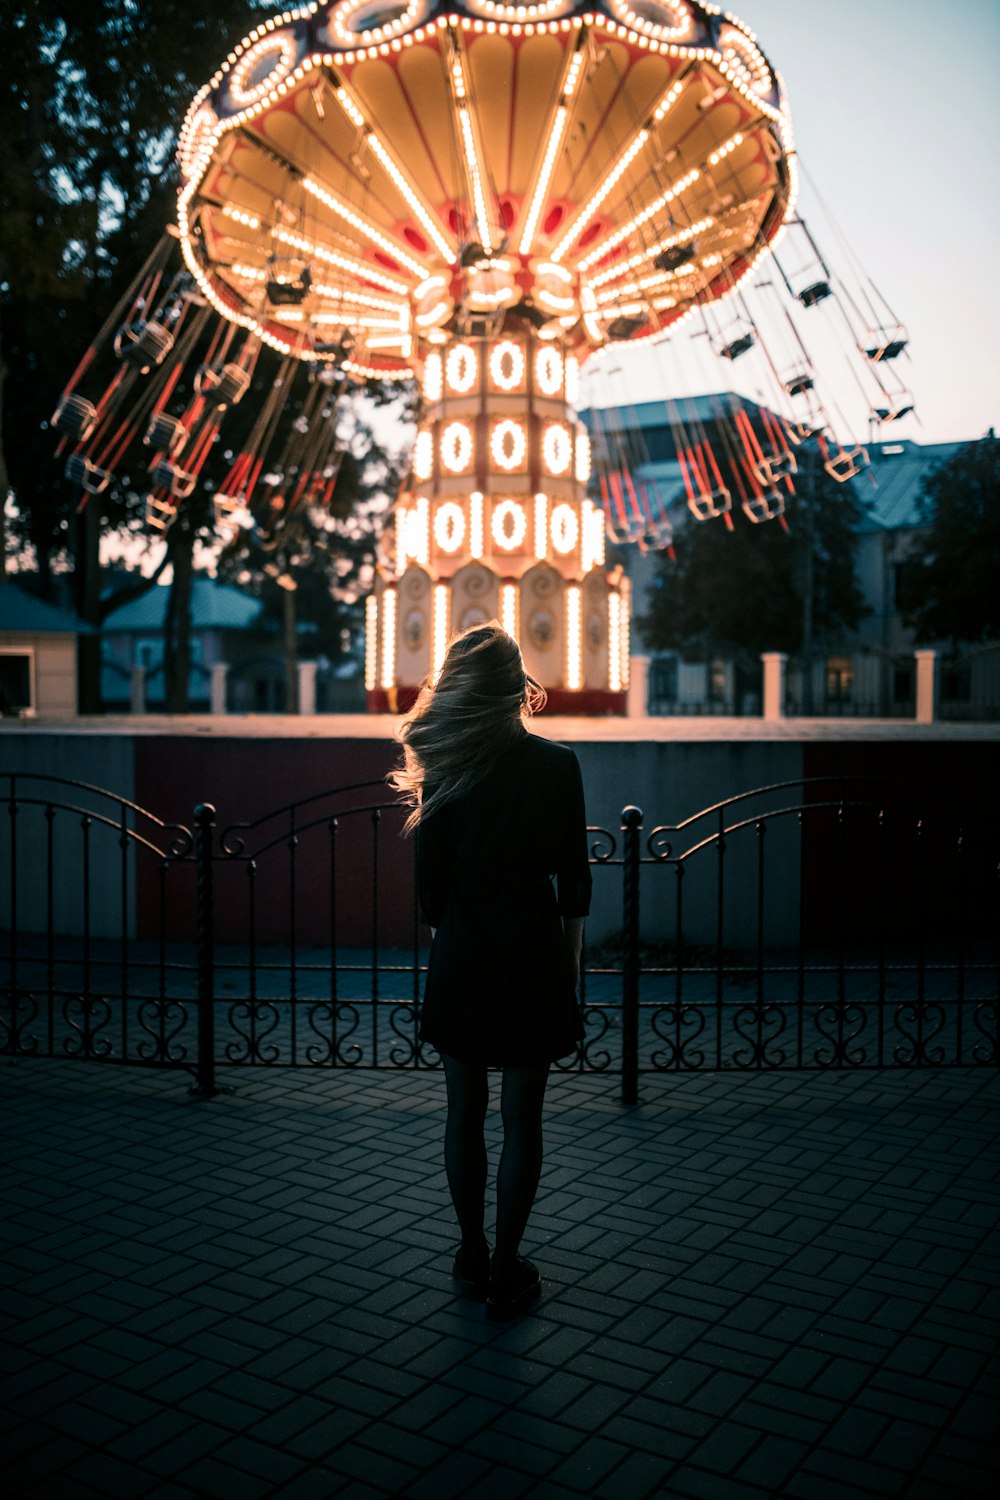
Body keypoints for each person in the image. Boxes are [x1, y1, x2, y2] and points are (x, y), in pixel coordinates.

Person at [391, 622, 592, 1320]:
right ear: (517, 688)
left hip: (465, 959)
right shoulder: (559, 765)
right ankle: (510, 1266)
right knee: (523, 1122)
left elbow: (431, 900)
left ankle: (470, 1251)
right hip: (535, 958)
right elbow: (575, 884)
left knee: (463, 1113)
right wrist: (567, 967)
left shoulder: (446, 770)